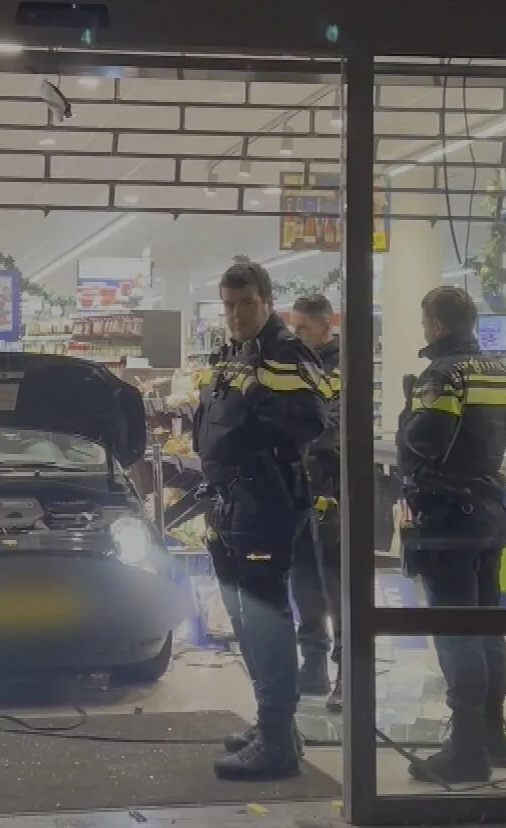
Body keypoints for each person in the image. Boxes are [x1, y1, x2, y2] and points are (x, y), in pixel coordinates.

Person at [195, 262, 330, 781]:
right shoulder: (235, 352)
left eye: (246, 303)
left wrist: (260, 396)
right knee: (245, 619)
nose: (236, 314)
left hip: (266, 501)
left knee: (266, 620)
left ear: (268, 302)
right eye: (229, 305)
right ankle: (275, 726)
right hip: (231, 503)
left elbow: (312, 420)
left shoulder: (285, 352)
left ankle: (276, 743)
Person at [398, 286, 506, 787]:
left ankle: (467, 751)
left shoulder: (442, 374)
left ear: (436, 324)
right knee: (485, 625)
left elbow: (425, 439)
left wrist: (410, 412)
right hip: (489, 511)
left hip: (448, 517)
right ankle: (493, 738)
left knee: (457, 632)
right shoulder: (500, 370)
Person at [285, 293, 344, 712]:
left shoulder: (343, 370)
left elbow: (333, 428)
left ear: (326, 326)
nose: (296, 335)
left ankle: (347, 673)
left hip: (333, 489)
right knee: (303, 578)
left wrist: (291, 433)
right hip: (297, 487)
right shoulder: (295, 367)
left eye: (303, 328)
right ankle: (314, 664)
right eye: (294, 328)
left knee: (336, 585)